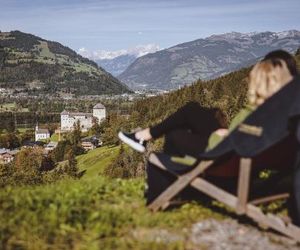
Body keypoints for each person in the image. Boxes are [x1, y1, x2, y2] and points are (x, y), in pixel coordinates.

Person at [119, 50, 297, 157]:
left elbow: (249, 140)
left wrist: (226, 135)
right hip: (235, 145)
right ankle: (144, 136)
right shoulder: (286, 109)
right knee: (200, 111)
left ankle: (146, 139)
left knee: (177, 131)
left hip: (225, 150)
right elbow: (259, 136)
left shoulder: (265, 110)